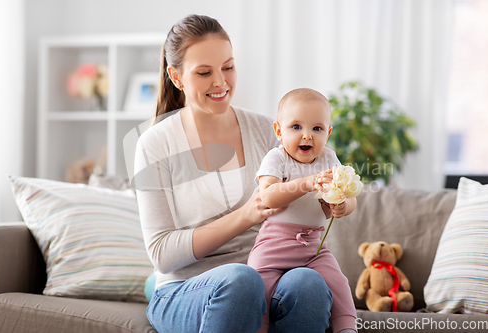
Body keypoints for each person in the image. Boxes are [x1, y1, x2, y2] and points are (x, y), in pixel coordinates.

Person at [134, 14, 334, 333]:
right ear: (176, 76)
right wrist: (245, 215)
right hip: (186, 289)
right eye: (204, 72)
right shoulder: (154, 144)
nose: (221, 82)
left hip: (267, 277)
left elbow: (302, 202)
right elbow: (162, 255)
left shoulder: (266, 131)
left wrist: (327, 200)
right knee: (240, 281)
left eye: (228, 67)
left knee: (307, 282)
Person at [247, 88, 358, 333]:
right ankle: (259, 327)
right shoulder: (277, 158)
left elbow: (351, 199)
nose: (306, 135)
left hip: (313, 248)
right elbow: (268, 195)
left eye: (317, 129)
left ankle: (347, 327)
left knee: (338, 282)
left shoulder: (329, 159)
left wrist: (342, 206)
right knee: (258, 285)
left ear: (328, 133)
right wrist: (306, 183)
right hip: (273, 245)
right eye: (296, 127)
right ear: (279, 131)